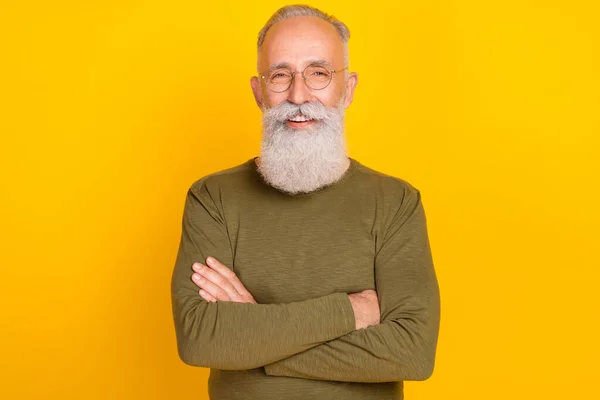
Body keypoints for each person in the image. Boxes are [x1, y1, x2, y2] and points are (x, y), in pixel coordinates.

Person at [170, 4, 440, 400]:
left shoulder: (396, 202)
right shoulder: (212, 198)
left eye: (319, 73)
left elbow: (412, 353)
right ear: (259, 91)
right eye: (280, 75)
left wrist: (254, 335)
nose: (298, 94)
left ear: (346, 89)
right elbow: (200, 340)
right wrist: (350, 312)